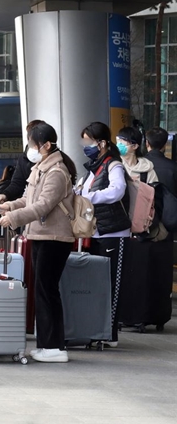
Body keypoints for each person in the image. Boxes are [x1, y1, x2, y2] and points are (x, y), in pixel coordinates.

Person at [0, 122, 76, 363]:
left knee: (47, 290)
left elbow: (43, 205)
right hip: (41, 234)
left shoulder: (57, 172)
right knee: (43, 290)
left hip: (55, 237)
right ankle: (47, 344)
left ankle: (54, 347)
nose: (31, 148)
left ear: (47, 145)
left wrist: (14, 218)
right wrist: (10, 206)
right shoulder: (41, 167)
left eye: (33, 144)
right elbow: (28, 197)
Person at [78, 121, 132, 347]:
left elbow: (117, 191)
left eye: (88, 141)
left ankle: (110, 334)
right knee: (99, 284)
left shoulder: (113, 165)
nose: (85, 145)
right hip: (97, 232)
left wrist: (90, 197)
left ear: (101, 143)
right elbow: (80, 191)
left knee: (112, 284)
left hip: (114, 232)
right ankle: (98, 329)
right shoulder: (93, 168)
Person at [0, 120, 47, 204]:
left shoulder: (55, 165)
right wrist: (5, 195)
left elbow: (44, 204)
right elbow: (18, 184)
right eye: (32, 141)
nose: (34, 145)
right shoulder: (24, 159)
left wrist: (15, 213)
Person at [146, 127, 177, 196]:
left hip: (144, 206)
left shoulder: (138, 164)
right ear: (165, 145)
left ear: (147, 143)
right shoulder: (173, 166)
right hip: (169, 206)